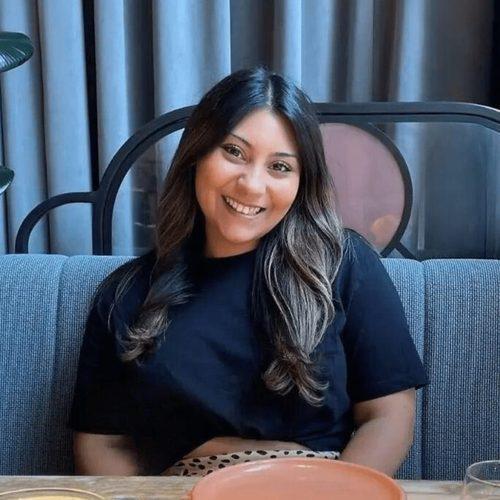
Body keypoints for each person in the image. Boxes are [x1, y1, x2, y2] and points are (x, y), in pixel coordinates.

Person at [69, 67, 429, 478]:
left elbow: (389, 415)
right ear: (197, 154)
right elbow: (101, 441)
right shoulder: (126, 293)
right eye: (234, 152)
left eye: (280, 167)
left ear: (301, 182)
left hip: (321, 488)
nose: (252, 185)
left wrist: (337, 495)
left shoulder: (344, 263)